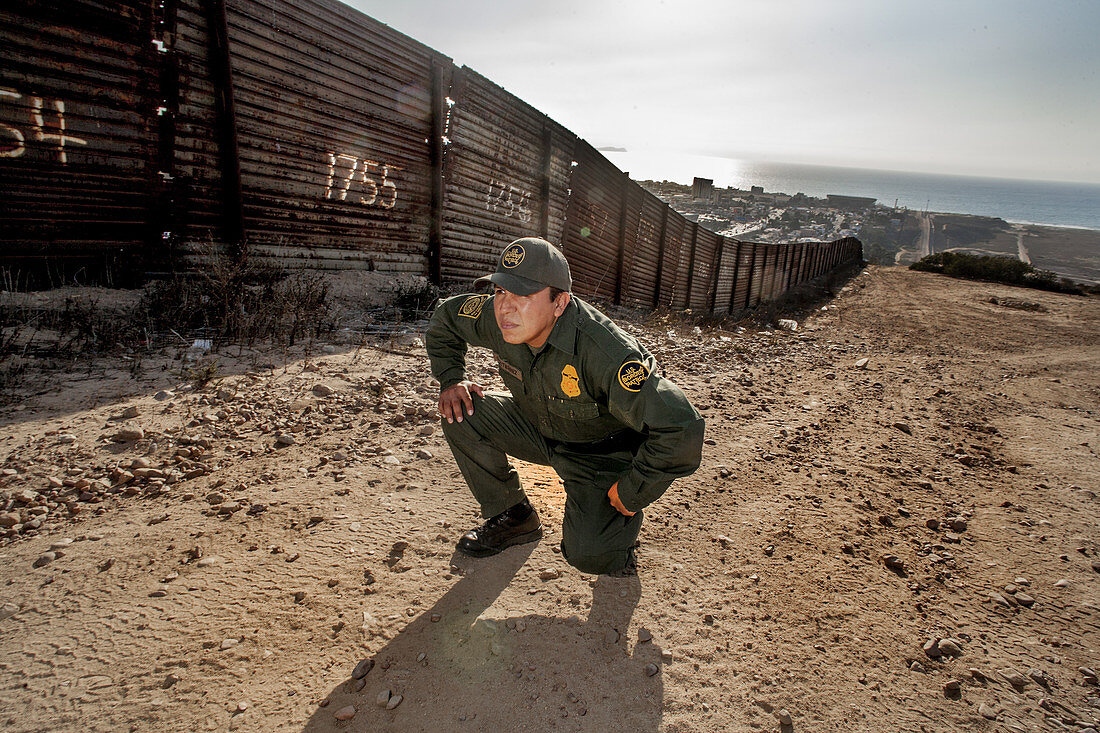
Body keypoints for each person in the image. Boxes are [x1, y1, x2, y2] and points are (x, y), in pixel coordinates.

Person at [425, 237, 704, 576]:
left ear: (559, 303)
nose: (505, 307)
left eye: (523, 295)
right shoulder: (499, 317)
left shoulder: (604, 351)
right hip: (538, 428)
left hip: (601, 453)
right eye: (500, 291)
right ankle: (515, 517)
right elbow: (446, 317)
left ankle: (616, 531)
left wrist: (634, 491)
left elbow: (682, 427)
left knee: (591, 557)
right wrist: (452, 379)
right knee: (460, 413)